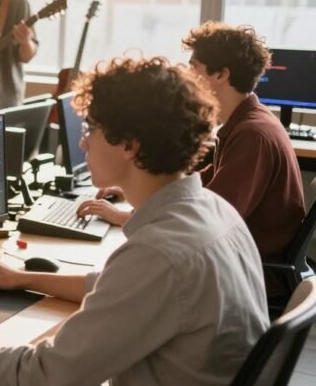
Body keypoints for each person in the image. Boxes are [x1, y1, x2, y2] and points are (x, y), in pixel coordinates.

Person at [0, 57, 268, 386]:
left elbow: (38, 381)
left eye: (91, 130)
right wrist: (23, 278)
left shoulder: (160, 253)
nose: (82, 143)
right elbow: (120, 288)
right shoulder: (213, 211)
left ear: (130, 144)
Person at [77, 23, 305, 288]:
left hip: (250, 273)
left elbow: (210, 215)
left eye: (193, 66)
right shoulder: (246, 122)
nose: (186, 74)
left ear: (220, 74)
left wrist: (125, 217)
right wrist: (133, 185)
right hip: (234, 262)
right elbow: (204, 184)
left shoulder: (254, 134)